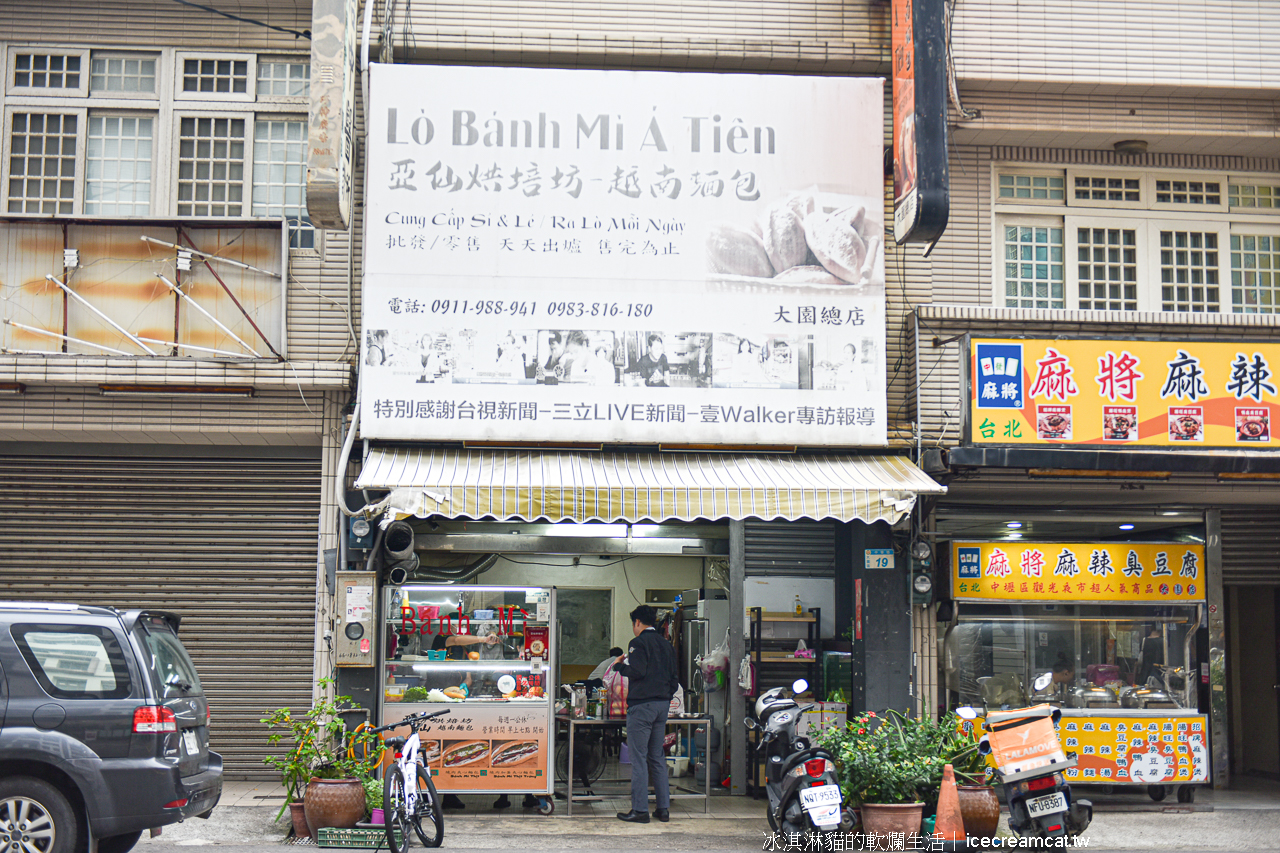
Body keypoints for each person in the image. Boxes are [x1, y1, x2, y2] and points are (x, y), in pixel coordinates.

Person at [612, 605, 679, 824]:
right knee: (657, 757)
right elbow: (674, 678)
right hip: (662, 706)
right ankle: (663, 809)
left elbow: (638, 671)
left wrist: (619, 667)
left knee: (639, 759)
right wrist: (665, 697)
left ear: (637, 622)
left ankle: (640, 810)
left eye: (633, 624)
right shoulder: (666, 644)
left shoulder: (638, 643)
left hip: (642, 707)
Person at [427, 625, 498, 810]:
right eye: (457, 626)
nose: (460, 630)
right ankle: (430, 792)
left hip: (453, 700)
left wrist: (465, 685)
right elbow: (456, 639)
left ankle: (449, 795)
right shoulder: (441, 638)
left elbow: (467, 676)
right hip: (436, 698)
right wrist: (483, 639)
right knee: (436, 746)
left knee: (451, 746)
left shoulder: (464, 650)